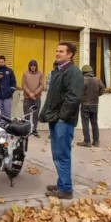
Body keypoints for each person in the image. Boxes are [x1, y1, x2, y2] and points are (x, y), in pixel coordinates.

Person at [39, 42, 84, 199]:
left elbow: (74, 97)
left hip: (63, 121)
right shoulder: (59, 71)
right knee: (57, 153)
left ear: (70, 54)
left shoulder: (73, 72)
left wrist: (62, 117)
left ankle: (65, 189)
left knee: (62, 154)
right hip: (56, 118)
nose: (57, 53)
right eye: (57, 51)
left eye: (61, 51)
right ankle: (61, 183)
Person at [78, 64, 106, 147]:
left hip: (85, 104)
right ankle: (96, 141)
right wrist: (95, 96)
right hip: (95, 104)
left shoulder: (81, 80)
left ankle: (87, 141)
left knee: (85, 123)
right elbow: (102, 90)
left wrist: (82, 99)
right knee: (94, 123)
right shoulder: (97, 80)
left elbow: (79, 92)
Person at [21, 59, 44, 137]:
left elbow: (41, 85)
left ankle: (34, 130)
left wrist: (34, 93)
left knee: (35, 114)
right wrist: (30, 93)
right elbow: (23, 85)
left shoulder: (40, 74)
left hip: (36, 98)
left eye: (34, 66)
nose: (33, 67)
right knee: (26, 114)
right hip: (27, 97)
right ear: (29, 66)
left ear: (36, 66)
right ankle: (26, 130)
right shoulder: (25, 74)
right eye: (31, 66)